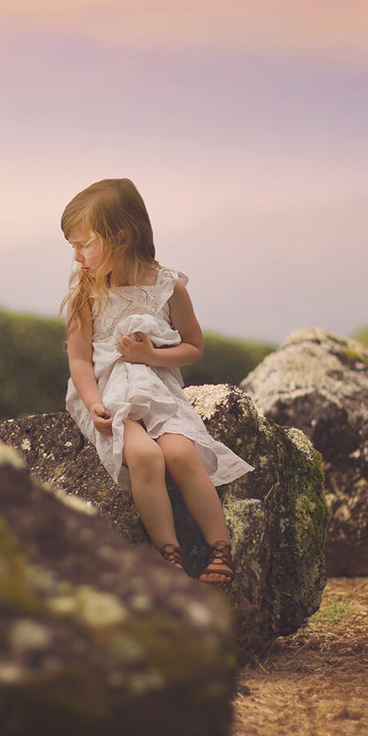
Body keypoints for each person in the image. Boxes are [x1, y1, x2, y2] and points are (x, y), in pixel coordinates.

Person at [60, 177, 253, 586]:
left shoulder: (168, 287)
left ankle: (220, 547)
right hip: (109, 392)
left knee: (181, 454)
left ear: (121, 236)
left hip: (160, 392)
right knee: (145, 457)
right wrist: (94, 401)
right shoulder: (87, 292)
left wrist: (150, 356)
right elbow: (78, 358)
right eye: (72, 247)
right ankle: (169, 553)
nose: (77, 257)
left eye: (83, 244)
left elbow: (193, 347)